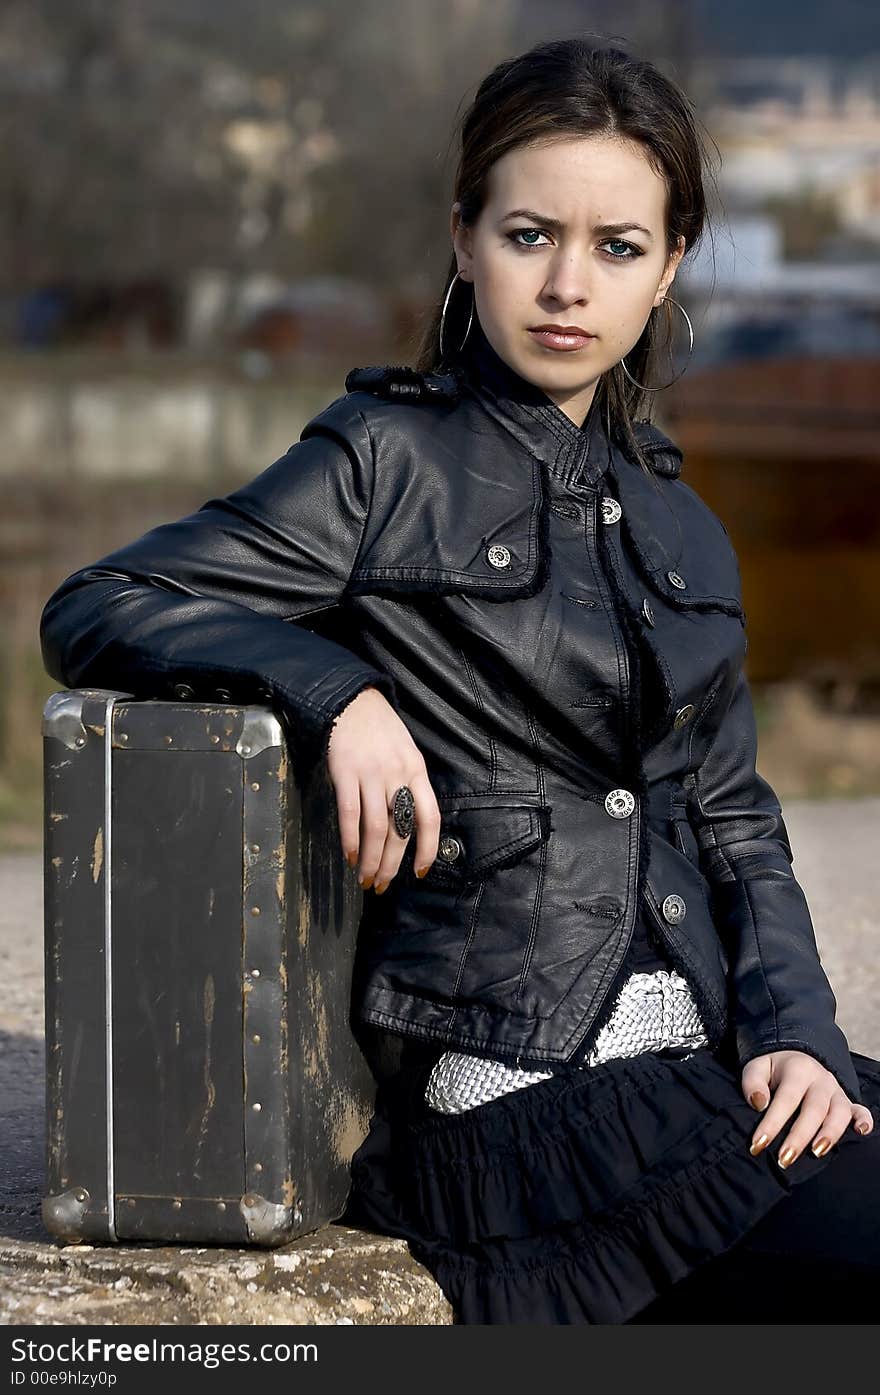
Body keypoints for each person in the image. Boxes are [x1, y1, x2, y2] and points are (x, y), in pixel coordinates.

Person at [39, 36, 879, 1325]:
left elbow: (733, 818)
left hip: (698, 1047)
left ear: (667, 272)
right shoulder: (385, 458)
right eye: (530, 233)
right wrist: (337, 691)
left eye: (618, 248)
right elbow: (105, 602)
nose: (566, 286)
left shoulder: (680, 521)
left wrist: (799, 1035)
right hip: (515, 1091)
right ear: (464, 239)